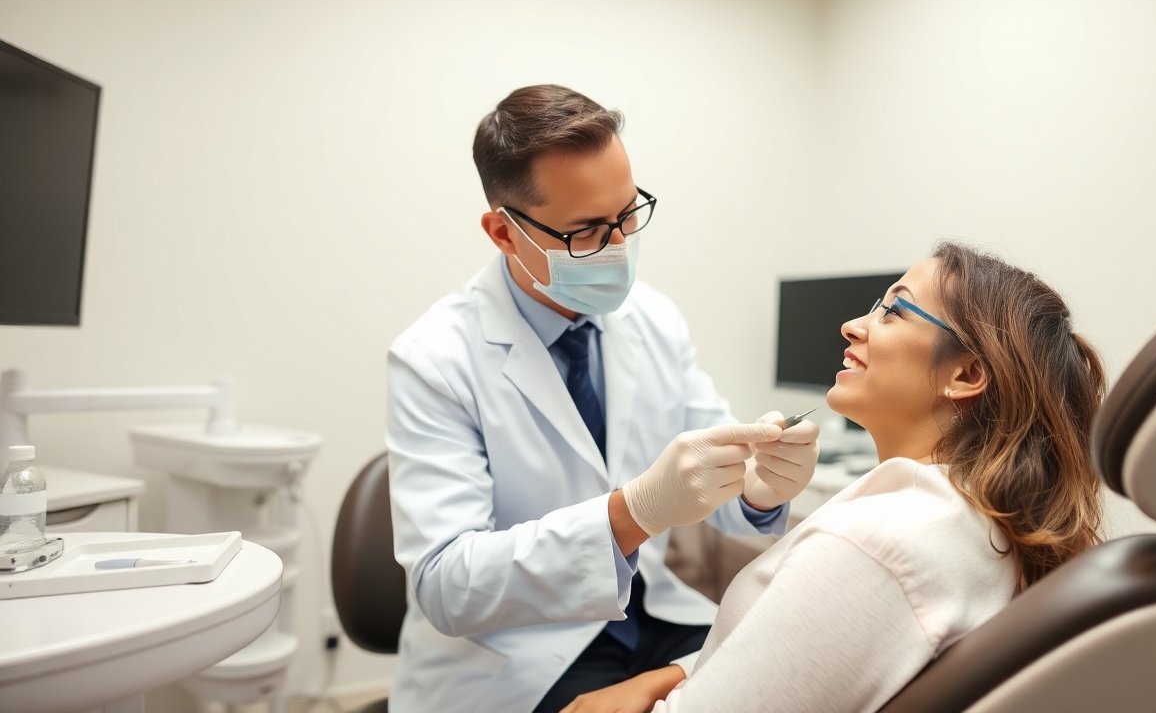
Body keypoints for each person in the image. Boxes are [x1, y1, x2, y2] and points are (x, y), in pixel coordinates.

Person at [384, 84, 821, 713]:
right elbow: (447, 587)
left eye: (627, 214)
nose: (618, 246)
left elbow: (711, 468)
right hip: (517, 652)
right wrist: (632, 512)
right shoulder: (433, 359)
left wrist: (759, 487)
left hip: (652, 611)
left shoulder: (653, 319)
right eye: (586, 231)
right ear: (503, 233)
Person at [566, 242, 1105, 713]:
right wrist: (679, 674)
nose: (853, 324)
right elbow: (820, 653)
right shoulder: (974, 518)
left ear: (964, 375)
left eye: (894, 311)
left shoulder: (873, 546)